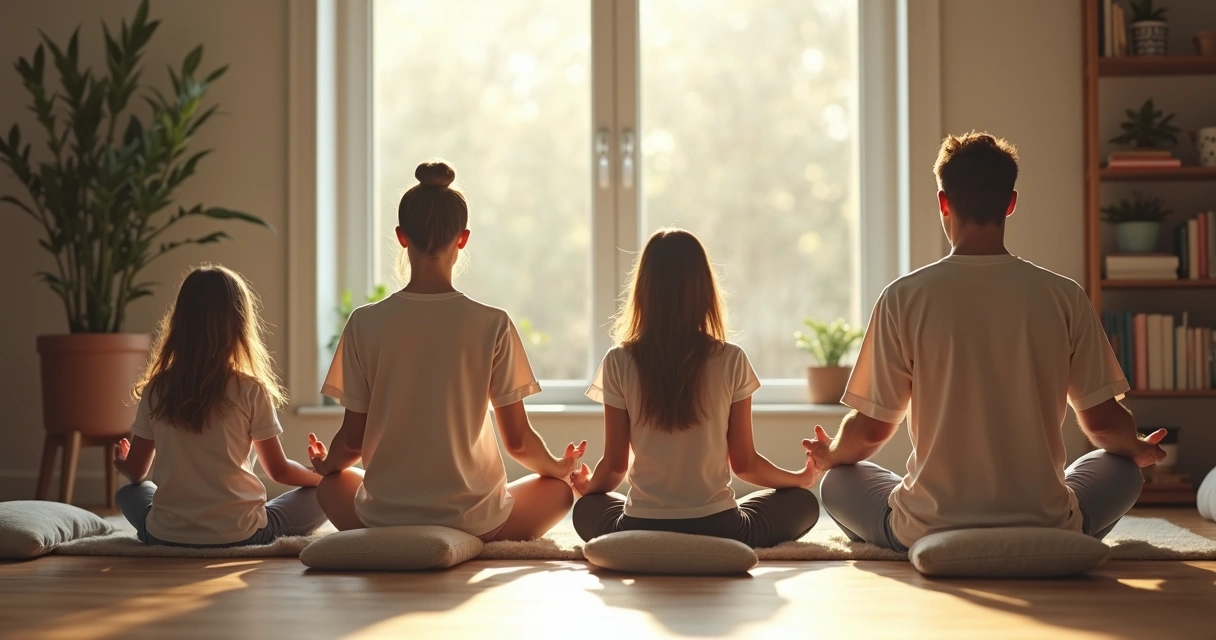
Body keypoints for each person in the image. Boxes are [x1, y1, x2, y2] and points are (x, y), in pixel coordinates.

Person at [803, 132, 1165, 551]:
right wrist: (1135, 447)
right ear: (1011, 203)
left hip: (928, 525)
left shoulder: (903, 297)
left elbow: (869, 432)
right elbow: (1103, 423)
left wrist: (831, 455)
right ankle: (1047, 531)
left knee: (838, 480)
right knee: (1122, 470)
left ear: (943, 202)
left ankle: (917, 540)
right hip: (1044, 523)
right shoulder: (1064, 296)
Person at [309, 161, 584, 542]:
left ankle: (394, 535)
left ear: (402, 237)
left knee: (330, 486)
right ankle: (467, 538)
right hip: (475, 521)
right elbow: (518, 441)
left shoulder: (364, 322)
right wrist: (559, 467)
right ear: (463, 238)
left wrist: (326, 464)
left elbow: (352, 441)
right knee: (557, 491)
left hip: (385, 519)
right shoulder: (493, 324)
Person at [572, 228, 821, 548]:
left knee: (587, 509)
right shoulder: (731, 358)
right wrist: (800, 479)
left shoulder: (619, 360)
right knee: (804, 504)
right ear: (704, 291)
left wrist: (587, 485)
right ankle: (709, 546)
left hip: (640, 525)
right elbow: (744, 463)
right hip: (721, 528)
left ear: (643, 291)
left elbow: (615, 466)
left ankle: (649, 544)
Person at [113, 265, 327, 547]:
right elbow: (280, 471)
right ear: (239, 326)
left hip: (164, 534)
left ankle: (168, 527)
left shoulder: (157, 389)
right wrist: (321, 478)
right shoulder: (250, 390)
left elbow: (138, 472)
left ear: (179, 324)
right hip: (242, 533)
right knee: (325, 494)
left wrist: (122, 462)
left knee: (128, 493)